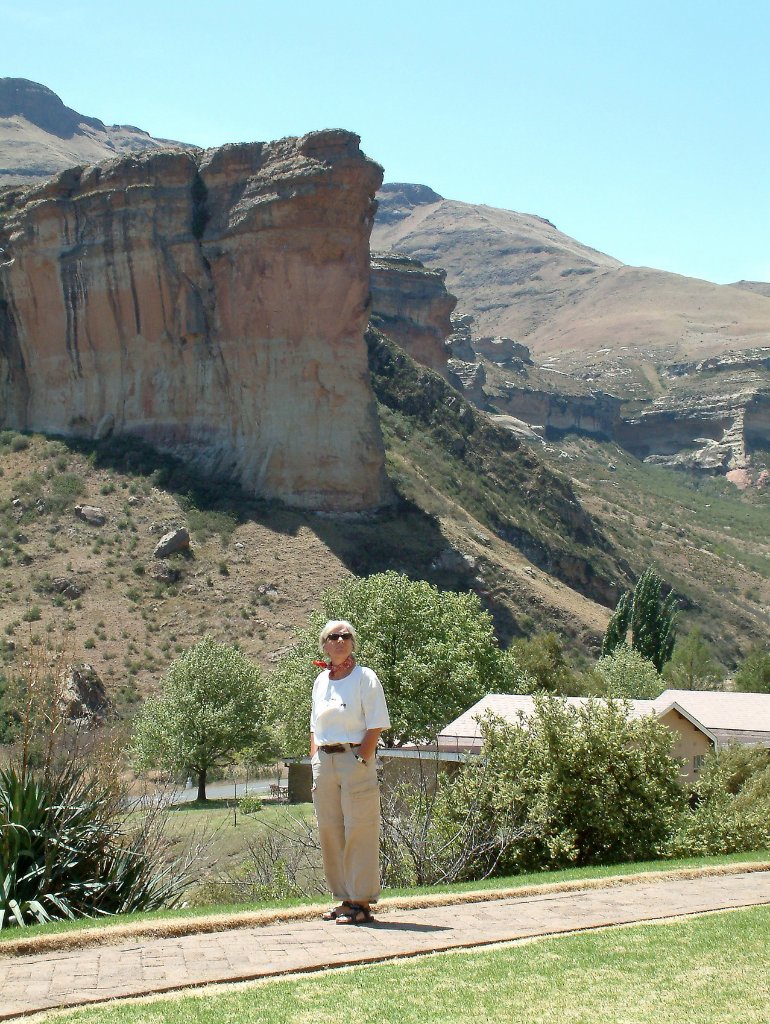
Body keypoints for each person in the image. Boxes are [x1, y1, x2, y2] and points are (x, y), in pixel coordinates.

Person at [310, 619, 390, 924]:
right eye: (334, 636)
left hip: (353, 759)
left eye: (346, 636)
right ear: (325, 645)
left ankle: (361, 902)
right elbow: (314, 725)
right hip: (325, 763)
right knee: (330, 829)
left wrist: (362, 758)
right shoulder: (321, 682)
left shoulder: (365, 678)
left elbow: (376, 722)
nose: (340, 640)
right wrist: (315, 757)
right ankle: (344, 898)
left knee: (360, 828)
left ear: (352, 643)